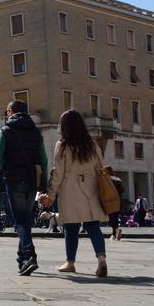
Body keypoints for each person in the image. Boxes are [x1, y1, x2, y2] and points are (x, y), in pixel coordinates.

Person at [40, 110, 109, 277]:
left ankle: (70, 262)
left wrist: (51, 194)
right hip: (91, 187)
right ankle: (101, 260)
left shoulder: (62, 146)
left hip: (70, 188)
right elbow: (101, 167)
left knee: (71, 227)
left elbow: (58, 173)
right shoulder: (92, 144)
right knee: (93, 226)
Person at [0, 100, 48, 276]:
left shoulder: (5, 131)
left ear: (10, 112)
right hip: (32, 180)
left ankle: (30, 254)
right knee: (24, 219)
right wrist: (44, 184)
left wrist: (5, 168)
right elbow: (44, 160)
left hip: (14, 180)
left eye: (7, 111)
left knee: (21, 221)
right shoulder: (36, 132)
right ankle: (22, 259)